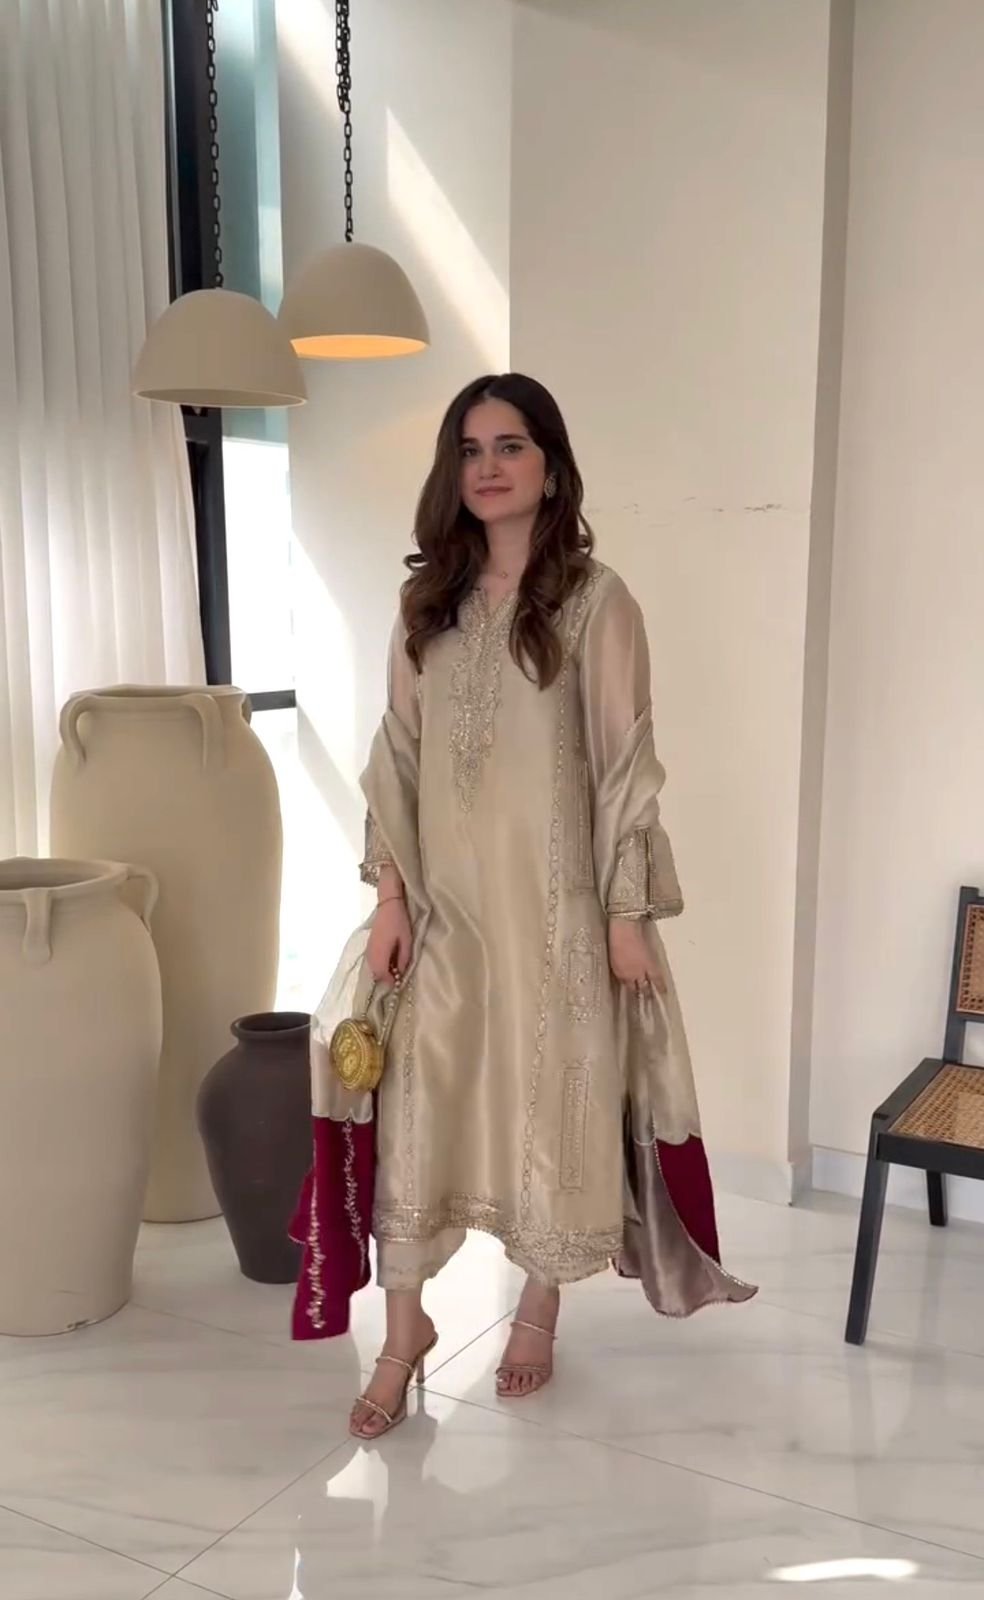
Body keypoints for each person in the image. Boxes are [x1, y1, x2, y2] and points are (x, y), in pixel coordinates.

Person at [290, 373, 755, 1441]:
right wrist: (391, 896)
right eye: (470, 449)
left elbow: (625, 765)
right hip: (443, 915)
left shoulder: (596, 601)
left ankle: (538, 1309)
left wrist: (624, 914)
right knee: (420, 1109)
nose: (488, 466)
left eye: (511, 445)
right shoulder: (427, 604)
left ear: (551, 466)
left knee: (553, 1108)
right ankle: (404, 1332)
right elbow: (396, 759)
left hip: (557, 918)